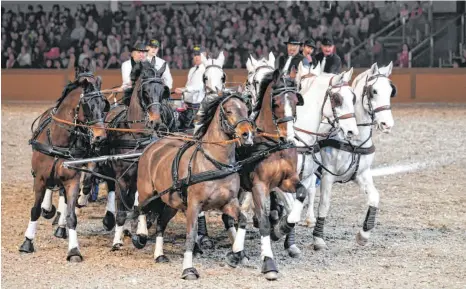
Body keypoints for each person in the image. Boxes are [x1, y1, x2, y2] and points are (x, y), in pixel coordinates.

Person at [174, 45, 206, 130]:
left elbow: (198, 86)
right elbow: (188, 85)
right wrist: (183, 101)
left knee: (190, 132)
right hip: (187, 106)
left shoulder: (206, 70)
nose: (196, 57)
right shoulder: (192, 70)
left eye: (199, 54)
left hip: (197, 107)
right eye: (195, 55)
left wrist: (183, 89)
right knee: (179, 129)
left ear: (205, 55)